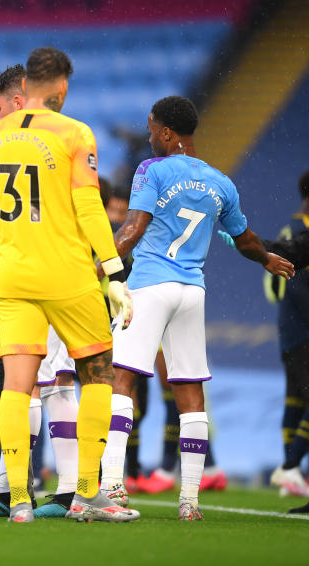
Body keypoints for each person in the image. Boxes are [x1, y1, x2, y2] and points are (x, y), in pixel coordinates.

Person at [99, 95, 294, 521]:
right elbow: (244, 241)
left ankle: (112, 484)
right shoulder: (221, 182)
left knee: (123, 379)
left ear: (166, 132)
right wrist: (268, 260)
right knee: (189, 392)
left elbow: (132, 229)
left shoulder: (152, 169)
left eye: (152, 129)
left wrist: (98, 264)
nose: (149, 137)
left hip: (149, 286)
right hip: (192, 291)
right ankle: (190, 501)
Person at [0, 47, 140, 523]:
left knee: (16, 386)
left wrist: (12, 254)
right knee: (97, 375)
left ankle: (21, 502)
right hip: (67, 275)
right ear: (62, 88)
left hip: (13, 276)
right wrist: (112, 271)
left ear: (23, 87)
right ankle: (87, 493)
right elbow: (90, 208)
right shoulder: (74, 133)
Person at [264, 171, 309, 499]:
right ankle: (291, 466)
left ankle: (290, 471)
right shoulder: (301, 230)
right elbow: (295, 286)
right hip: (302, 326)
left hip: (291, 325)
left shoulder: (291, 227)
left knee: (296, 398)